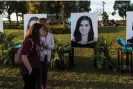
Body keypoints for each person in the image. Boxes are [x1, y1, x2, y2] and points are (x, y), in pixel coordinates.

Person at [21, 23, 43, 89]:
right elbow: (24, 56)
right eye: (42, 30)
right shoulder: (29, 41)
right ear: (37, 31)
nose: (43, 31)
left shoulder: (36, 40)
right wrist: (30, 69)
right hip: (29, 70)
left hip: (35, 68)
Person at [38, 18, 55, 89]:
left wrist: (47, 46)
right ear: (42, 24)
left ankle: (43, 86)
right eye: (47, 23)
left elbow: (53, 46)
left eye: (48, 23)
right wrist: (41, 45)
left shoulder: (50, 35)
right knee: (39, 74)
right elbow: (34, 47)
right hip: (38, 57)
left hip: (47, 57)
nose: (48, 25)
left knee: (45, 73)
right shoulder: (36, 34)